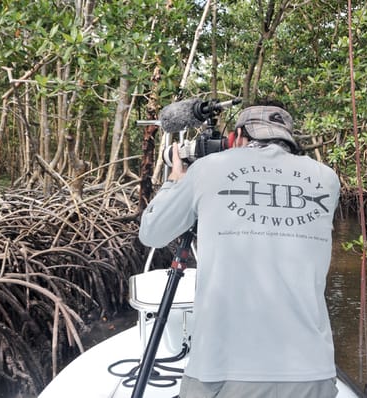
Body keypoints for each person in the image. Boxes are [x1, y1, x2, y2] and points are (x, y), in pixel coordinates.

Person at [139, 101, 340, 398]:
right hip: (313, 374)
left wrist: (176, 179)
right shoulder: (327, 178)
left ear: (239, 136)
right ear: (287, 136)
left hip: (220, 373)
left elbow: (152, 233)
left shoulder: (209, 168)